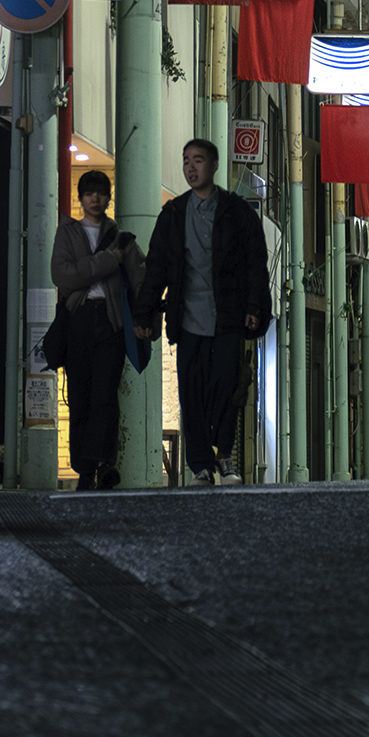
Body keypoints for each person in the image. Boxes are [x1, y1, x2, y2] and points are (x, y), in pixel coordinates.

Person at [132, 140, 268, 488]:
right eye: (186, 161)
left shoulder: (237, 212)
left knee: (225, 386)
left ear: (215, 165)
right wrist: (145, 314)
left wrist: (255, 307)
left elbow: (256, 264)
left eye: (198, 160)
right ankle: (200, 466)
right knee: (191, 391)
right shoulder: (174, 214)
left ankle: (223, 454)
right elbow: (156, 267)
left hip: (227, 316)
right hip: (187, 317)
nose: (191, 168)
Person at [51, 168, 145, 491]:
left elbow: (142, 281)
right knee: (79, 397)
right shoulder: (67, 233)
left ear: (108, 197)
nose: (94, 198)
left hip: (110, 323)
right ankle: (85, 468)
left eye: (100, 192)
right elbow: (63, 276)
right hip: (78, 320)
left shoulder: (123, 239)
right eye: (89, 192)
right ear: (80, 198)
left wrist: (148, 319)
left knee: (105, 397)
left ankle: (101, 463)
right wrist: (108, 261)